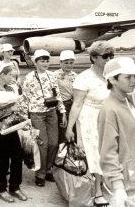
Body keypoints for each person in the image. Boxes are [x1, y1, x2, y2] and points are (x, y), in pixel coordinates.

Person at [66, 41, 115, 207]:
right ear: (93, 57)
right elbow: (77, 105)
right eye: (105, 56)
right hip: (89, 119)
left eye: (111, 56)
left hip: (108, 118)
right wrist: (69, 128)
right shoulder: (84, 78)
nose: (109, 59)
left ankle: (104, 183)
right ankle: (97, 192)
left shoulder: (111, 76)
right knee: (95, 155)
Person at [22, 49, 66, 187]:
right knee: (42, 144)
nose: (45, 63)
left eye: (47, 61)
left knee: (53, 143)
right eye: (42, 61)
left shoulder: (52, 75)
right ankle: (40, 174)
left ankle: (48, 170)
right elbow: (24, 98)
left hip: (52, 112)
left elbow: (57, 94)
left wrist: (63, 112)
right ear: (35, 62)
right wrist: (25, 118)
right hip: (36, 113)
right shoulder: (29, 77)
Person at [0, 61, 27, 203]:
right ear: (1, 75)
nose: (12, 77)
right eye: (10, 75)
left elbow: (16, 106)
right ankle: (1, 188)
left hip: (12, 128)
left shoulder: (10, 89)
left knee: (17, 157)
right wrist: (10, 110)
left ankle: (15, 187)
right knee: (1, 160)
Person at [98, 57, 135, 207]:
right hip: (128, 180)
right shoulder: (109, 109)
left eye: (134, 76)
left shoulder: (128, 100)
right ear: (112, 80)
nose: (133, 80)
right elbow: (108, 152)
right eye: (128, 77)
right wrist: (118, 186)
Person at [54, 50, 78, 143]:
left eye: (71, 63)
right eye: (66, 62)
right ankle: (63, 154)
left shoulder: (75, 76)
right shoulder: (55, 75)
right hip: (61, 106)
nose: (69, 65)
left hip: (73, 105)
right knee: (64, 132)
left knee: (73, 130)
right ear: (60, 63)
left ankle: (73, 154)